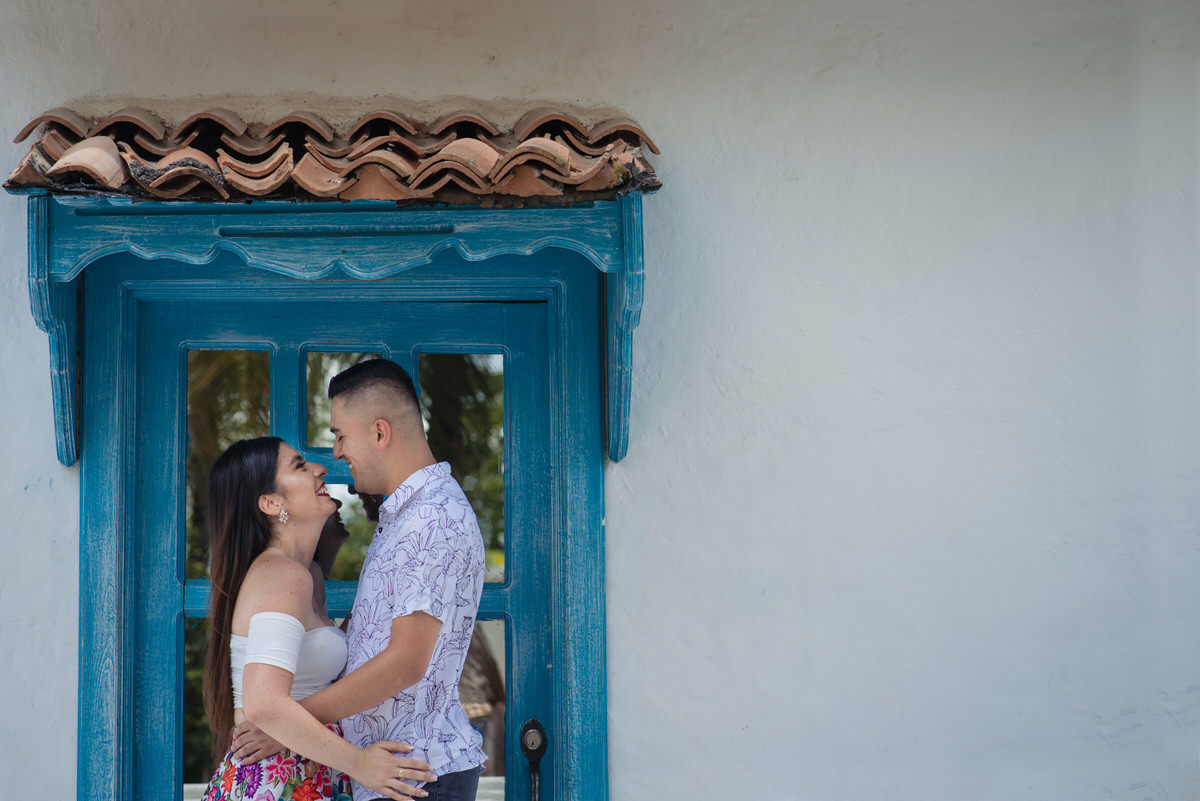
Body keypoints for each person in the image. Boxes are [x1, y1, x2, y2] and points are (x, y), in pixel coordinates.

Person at [235, 359, 487, 801]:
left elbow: (407, 660)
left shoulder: (431, 519)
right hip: (394, 773)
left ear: (379, 433)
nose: (334, 452)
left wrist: (289, 725)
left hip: (416, 775)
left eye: (339, 434)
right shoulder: (404, 515)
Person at [201, 436, 437, 801]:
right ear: (271, 502)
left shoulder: (306, 574)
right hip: (275, 783)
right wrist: (360, 763)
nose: (320, 468)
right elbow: (263, 703)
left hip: (301, 776)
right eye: (299, 466)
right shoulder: (283, 576)